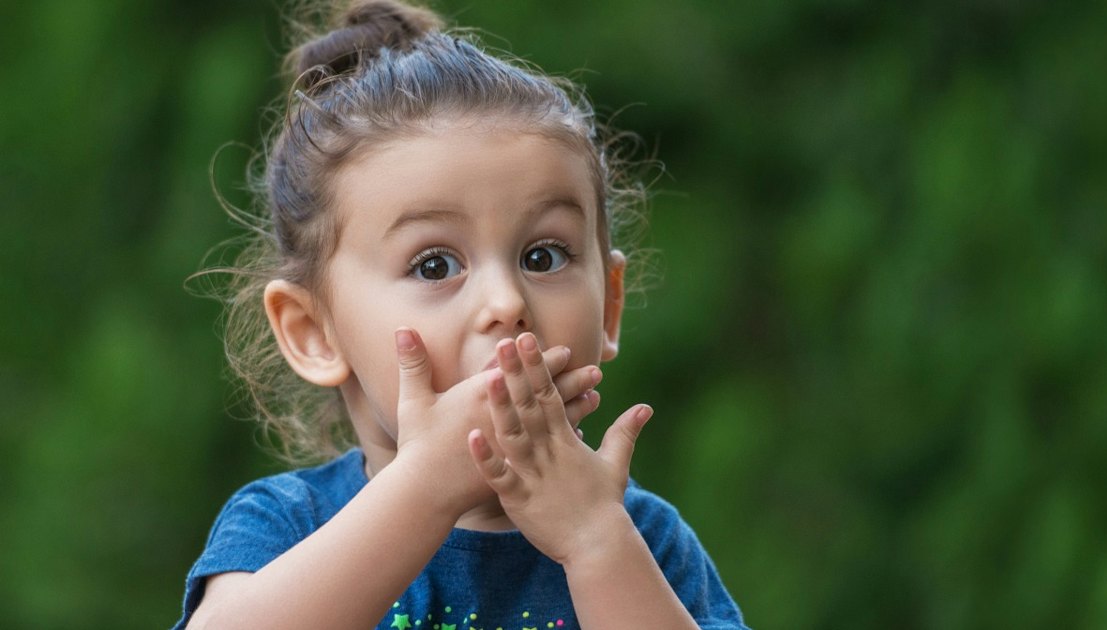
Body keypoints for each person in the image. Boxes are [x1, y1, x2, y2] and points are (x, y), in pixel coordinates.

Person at [175, 2, 747, 628]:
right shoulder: (289, 525)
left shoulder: (641, 539)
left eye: (543, 254)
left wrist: (594, 544)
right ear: (314, 332)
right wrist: (425, 487)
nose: (506, 302)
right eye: (434, 266)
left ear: (609, 305)